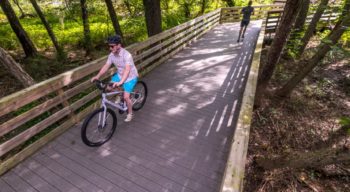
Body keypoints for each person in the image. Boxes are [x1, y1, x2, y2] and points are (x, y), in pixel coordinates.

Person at [91, 35, 139, 122]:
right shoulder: (112, 55)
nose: (110, 48)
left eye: (112, 46)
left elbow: (127, 70)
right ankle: (120, 94)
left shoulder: (127, 55)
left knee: (126, 97)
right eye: (109, 46)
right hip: (120, 75)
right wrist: (97, 76)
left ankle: (130, 113)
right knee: (109, 87)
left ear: (119, 45)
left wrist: (121, 82)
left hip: (130, 77)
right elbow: (106, 66)